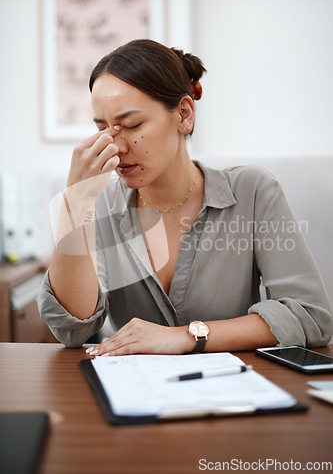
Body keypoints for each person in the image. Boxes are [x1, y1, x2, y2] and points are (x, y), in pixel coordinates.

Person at [37, 39, 332, 356]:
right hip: (134, 393)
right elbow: (71, 329)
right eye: (103, 128)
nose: (116, 146)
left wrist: (187, 336)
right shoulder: (98, 206)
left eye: (132, 125)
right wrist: (75, 203)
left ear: (184, 114)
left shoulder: (253, 192)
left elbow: (309, 315)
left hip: (235, 390)